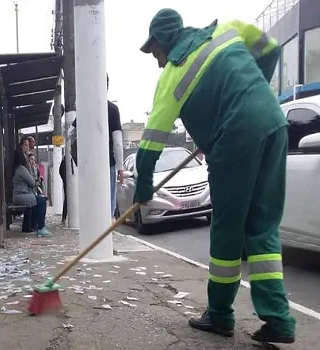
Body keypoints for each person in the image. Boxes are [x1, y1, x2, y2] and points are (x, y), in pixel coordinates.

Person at [136, 8, 295, 344]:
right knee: (263, 225)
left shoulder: (172, 76)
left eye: (157, 53)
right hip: (273, 121)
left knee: (227, 229)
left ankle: (220, 315)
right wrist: (253, 95)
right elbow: (271, 49)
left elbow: (150, 144)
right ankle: (279, 319)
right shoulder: (227, 29)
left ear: (164, 43)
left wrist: (144, 189)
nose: (158, 62)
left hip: (235, 137)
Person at [71, 74, 124, 219]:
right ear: (107, 86)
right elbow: (118, 143)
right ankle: (106, 234)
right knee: (108, 205)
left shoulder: (85, 109)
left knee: (91, 204)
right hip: (108, 164)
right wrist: (120, 168)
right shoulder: (112, 109)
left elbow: (71, 133)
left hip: (88, 165)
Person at [12, 147, 50, 237]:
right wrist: (31, 168)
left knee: (39, 200)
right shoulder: (22, 169)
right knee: (41, 202)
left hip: (23, 195)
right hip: (21, 196)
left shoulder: (21, 168)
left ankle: (36, 226)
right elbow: (32, 183)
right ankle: (40, 227)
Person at [59, 157, 67, 224]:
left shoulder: (64, 158)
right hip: (68, 182)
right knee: (67, 200)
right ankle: (64, 218)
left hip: (66, 182)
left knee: (66, 200)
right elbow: (61, 171)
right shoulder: (65, 158)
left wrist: (64, 179)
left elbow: (60, 171)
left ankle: (64, 218)